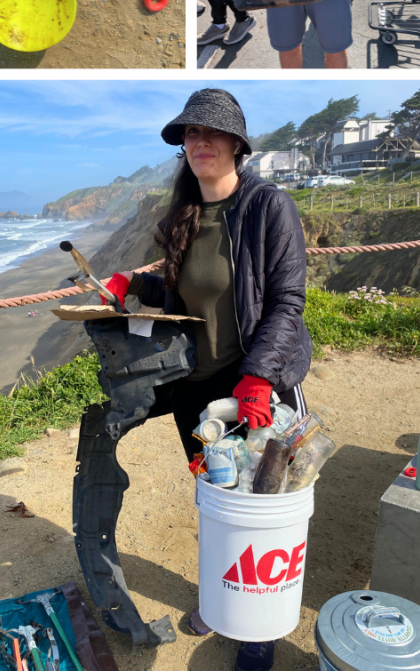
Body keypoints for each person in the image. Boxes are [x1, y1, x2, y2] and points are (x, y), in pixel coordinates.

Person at [103, 87, 311, 670]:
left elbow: (287, 301)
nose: (199, 143)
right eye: (190, 135)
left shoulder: (269, 206)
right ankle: (222, 599)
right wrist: (132, 288)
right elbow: (177, 294)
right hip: (195, 391)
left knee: (259, 504)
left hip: (252, 386)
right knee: (217, 497)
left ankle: (258, 631)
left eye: (210, 133)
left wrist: (259, 379)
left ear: (236, 144)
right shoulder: (184, 216)